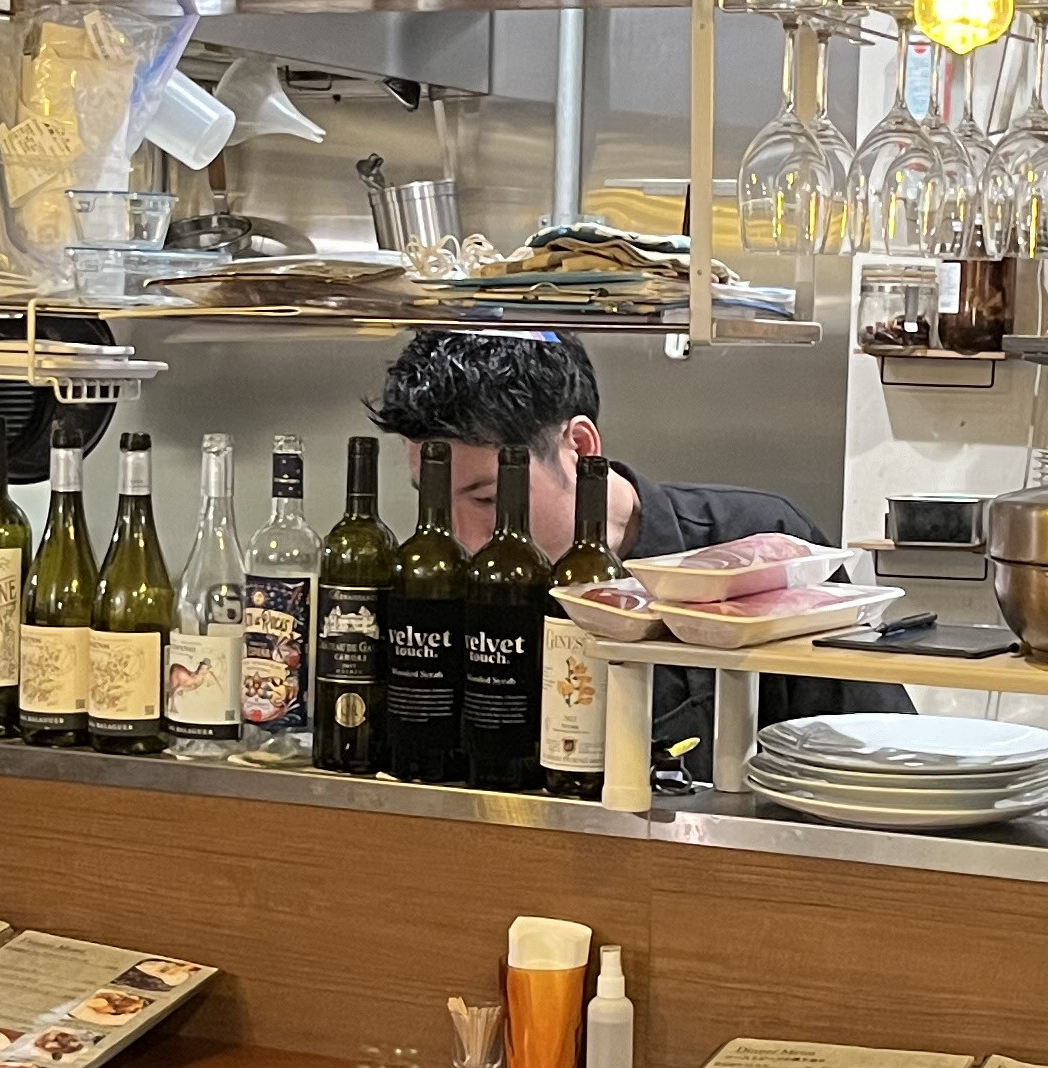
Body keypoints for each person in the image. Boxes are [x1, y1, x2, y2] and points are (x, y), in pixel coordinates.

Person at [366, 331, 905, 773]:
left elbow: (884, 756)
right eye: (433, 500)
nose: (464, 540)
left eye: (487, 498)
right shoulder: (435, 584)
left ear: (580, 448)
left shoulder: (759, 545)